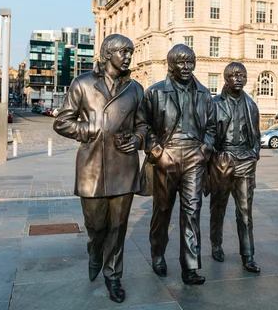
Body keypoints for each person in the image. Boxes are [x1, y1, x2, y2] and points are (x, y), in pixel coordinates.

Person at [53, 34, 146, 303]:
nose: (128, 56)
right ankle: (95, 251)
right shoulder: (82, 83)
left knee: (118, 227)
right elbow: (62, 122)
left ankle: (113, 276)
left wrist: (138, 138)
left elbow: (143, 125)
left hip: (124, 166)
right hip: (91, 166)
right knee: (96, 225)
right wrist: (89, 129)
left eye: (130, 51)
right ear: (107, 54)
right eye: (123, 52)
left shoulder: (135, 89)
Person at [137, 44, 216, 285]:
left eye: (190, 62)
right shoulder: (155, 92)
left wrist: (205, 149)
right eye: (181, 63)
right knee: (162, 211)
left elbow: (212, 128)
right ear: (170, 65)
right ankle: (157, 252)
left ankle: (190, 266)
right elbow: (142, 125)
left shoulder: (204, 93)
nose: (186, 67)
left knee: (192, 212)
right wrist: (156, 151)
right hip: (166, 156)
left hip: (195, 157)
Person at [209, 62, 261, 273]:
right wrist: (215, 156)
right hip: (222, 159)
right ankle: (216, 243)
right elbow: (209, 132)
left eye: (242, 75)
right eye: (234, 75)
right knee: (218, 207)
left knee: (245, 212)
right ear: (226, 79)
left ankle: (248, 255)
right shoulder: (215, 104)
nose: (239, 78)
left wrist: (254, 154)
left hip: (245, 160)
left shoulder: (251, 105)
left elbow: (256, 136)